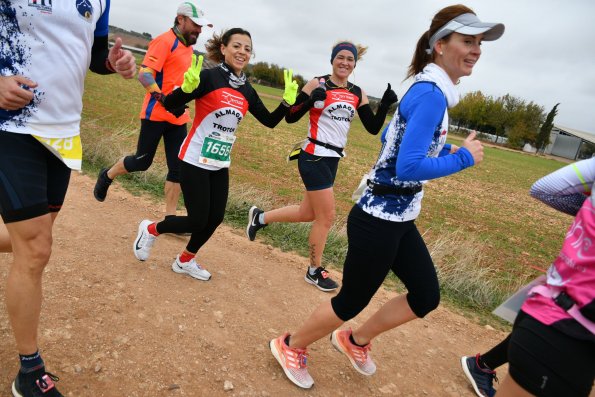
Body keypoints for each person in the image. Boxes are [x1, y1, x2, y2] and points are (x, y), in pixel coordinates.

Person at [268, 5, 502, 389]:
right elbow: (407, 167)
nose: (476, 50)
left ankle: (354, 339)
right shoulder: (431, 94)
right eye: (467, 40)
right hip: (378, 218)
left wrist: (440, 154)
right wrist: (461, 158)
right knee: (350, 302)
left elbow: (388, 141)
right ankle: (290, 344)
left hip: (399, 215)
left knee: (425, 295)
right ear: (440, 45)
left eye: (479, 42)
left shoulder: (429, 90)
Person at [0, 1, 136, 396]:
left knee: (28, 240)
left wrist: (113, 62)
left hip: (61, 132)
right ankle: (29, 371)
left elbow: (94, 53)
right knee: (36, 248)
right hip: (12, 126)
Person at [131, 28, 299, 281]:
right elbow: (170, 104)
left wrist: (287, 103)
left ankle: (185, 260)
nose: (243, 52)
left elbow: (269, 121)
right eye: (237, 46)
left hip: (219, 161)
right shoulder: (207, 78)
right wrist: (186, 90)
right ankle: (151, 229)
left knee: (216, 217)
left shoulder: (247, 90)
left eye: (247, 48)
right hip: (194, 157)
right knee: (198, 220)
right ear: (223, 49)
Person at [246, 41, 398, 292]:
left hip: (333, 159)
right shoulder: (317, 83)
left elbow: (372, 128)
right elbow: (291, 115)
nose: (345, 63)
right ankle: (313, 270)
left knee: (308, 213)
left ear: (354, 64)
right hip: (313, 155)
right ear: (332, 60)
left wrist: (384, 106)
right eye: (340, 57)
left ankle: (259, 218)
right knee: (326, 217)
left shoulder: (357, 92)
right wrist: (308, 102)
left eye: (350, 59)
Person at [93, 2, 212, 219]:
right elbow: (145, 74)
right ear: (180, 20)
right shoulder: (164, 41)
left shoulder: (189, 48)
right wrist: (165, 100)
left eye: (201, 26)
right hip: (155, 115)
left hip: (178, 118)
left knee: (177, 169)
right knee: (142, 162)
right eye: (196, 25)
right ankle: (107, 175)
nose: (199, 30)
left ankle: (170, 217)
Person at [494, 158, 595, 397]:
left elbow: (545, 189)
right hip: (566, 337)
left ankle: (483, 364)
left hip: (545, 313)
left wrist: (587, 208)